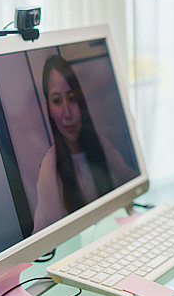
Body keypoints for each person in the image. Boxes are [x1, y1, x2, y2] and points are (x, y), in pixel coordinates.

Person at [33, 55, 136, 232]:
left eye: (72, 98)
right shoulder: (50, 166)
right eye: (57, 101)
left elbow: (130, 181)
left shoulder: (100, 144)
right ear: (49, 108)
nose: (67, 113)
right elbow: (52, 239)